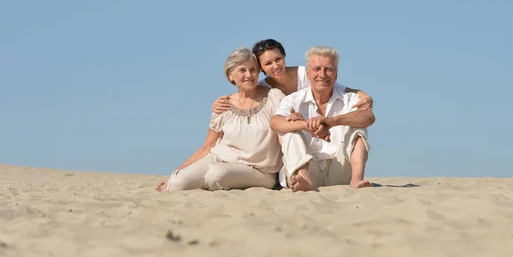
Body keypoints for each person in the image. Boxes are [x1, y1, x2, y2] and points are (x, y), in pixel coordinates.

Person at [155, 47, 285, 192]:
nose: (249, 75)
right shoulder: (223, 104)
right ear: (230, 75)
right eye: (242, 70)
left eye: (253, 70)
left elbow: (284, 136)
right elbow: (208, 146)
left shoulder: (274, 97)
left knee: (216, 175)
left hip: (260, 171)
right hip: (219, 159)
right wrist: (177, 171)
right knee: (177, 184)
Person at [269, 46, 376, 192]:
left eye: (328, 69)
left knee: (358, 127)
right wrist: (305, 125)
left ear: (336, 75)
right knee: (290, 129)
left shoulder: (349, 98)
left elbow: (368, 117)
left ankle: (357, 179)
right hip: (308, 169)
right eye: (316, 69)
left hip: (340, 170)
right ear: (307, 74)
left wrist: (331, 121)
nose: (322, 74)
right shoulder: (293, 100)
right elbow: (275, 122)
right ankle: (303, 179)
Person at [212, 39, 373, 113]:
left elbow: (341, 88)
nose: (275, 66)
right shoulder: (264, 87)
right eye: (268, 64)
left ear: (284, 56)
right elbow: (244, 94)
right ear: (261, 68)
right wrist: (221, 102)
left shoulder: (306, 74)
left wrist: (365, 96)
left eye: (278, 59)